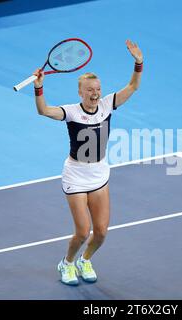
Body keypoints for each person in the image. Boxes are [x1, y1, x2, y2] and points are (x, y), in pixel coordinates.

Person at [33, 40, 143, 285]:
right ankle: (67, 263)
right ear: (80, 92)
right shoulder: (71, 111)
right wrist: (39, 88)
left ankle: (85, 260)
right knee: (83, 231)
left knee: (101, 232)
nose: (95, 93)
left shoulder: (107, 105)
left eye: (98, 88)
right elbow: (44, 111)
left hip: (99, 174)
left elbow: (133, 86)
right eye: (90, 90)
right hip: (76, 175)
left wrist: (138, 62)